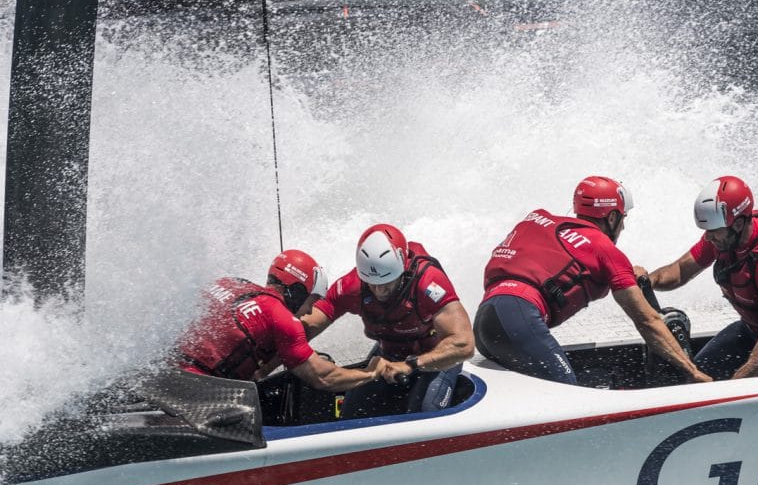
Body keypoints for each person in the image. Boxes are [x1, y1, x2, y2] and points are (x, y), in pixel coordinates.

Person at [474, 175, 711, 385]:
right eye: (623, 218)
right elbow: (647, 321)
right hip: (517, 322)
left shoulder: (539, 220)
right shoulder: (604, 249)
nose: (624, 226)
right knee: (566, 396)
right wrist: (691, 371)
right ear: (612, 217)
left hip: (486, 320)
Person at [640, 175, 758, 379]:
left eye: (714, 232)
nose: (709, 237)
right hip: (751, 330)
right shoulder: (721, 237)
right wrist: (647, 281)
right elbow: (679, 271)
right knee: (694, 378)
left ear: (738, 224)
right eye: (707, 232)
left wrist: (734, 386)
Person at [301, 224, 474, 417]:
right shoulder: (352, 286)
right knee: (351, 413)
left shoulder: (428, 283)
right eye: (372, 285)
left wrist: (411, 365)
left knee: (425, 415)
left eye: (386, 283)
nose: (379, 291)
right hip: (388, 357)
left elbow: (464, 344)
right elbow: (305, 326)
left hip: (436, 359)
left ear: (402, 271)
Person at [175, 249, 379, 390]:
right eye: (312, 300)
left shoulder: (229, 284)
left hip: (168, 373)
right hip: (197, 392)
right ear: (298, 292)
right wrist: (370, 373)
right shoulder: (283, 319)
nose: (309, 311)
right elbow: (323, 378)